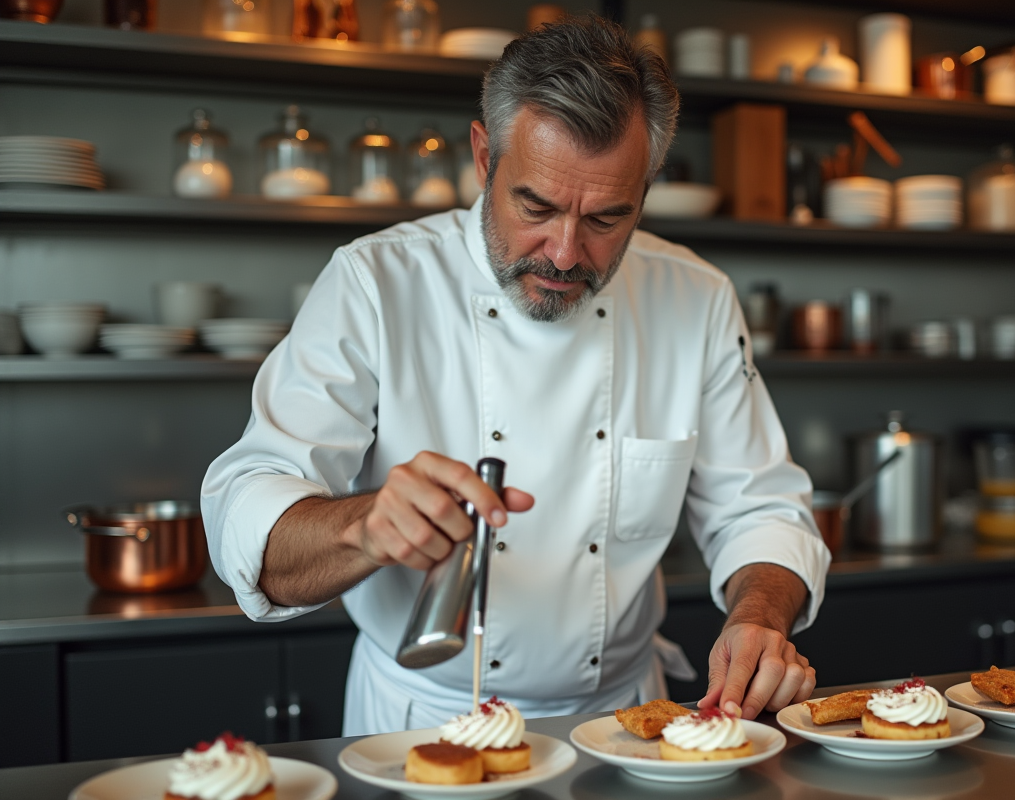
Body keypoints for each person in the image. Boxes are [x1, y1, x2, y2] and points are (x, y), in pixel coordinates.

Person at [201, 15, 831, 735]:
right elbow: (250, 516)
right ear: (484, 156)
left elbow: (760, 511)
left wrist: (759, 617)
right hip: (419, 720)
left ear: (646, 187)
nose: (564, 253)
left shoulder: (696, 296)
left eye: (607, 218)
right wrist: (364, 526)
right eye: (536, 206)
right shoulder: (375, 282)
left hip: (625, 718)